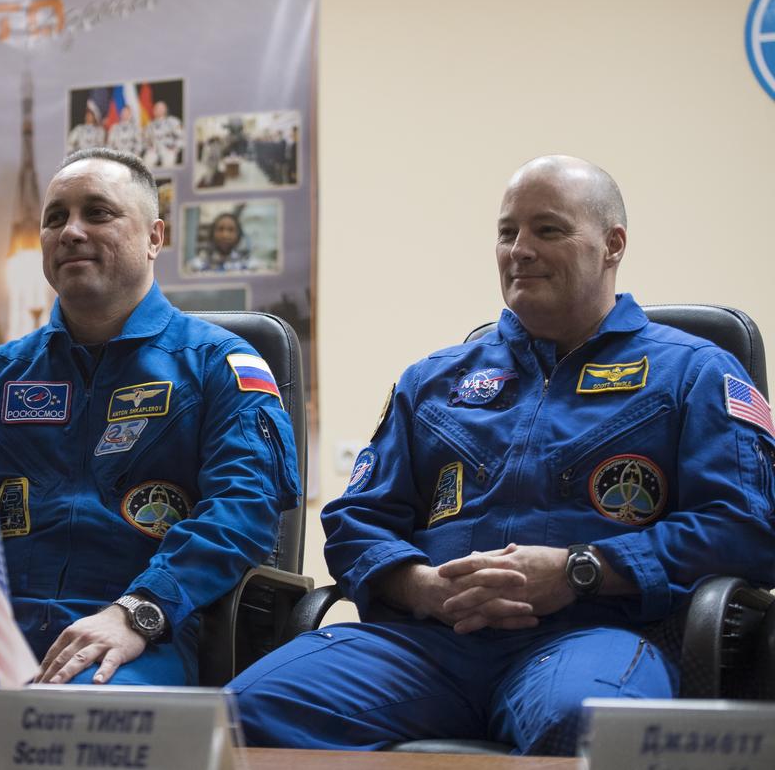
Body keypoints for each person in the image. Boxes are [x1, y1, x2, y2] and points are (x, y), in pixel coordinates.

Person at [230, 155, 775, 755]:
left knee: (586, 727)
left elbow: (746, 529)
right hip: (429, 643)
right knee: (242, 717)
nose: (519, 249)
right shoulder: (432, 381)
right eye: (507, 232)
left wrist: (580, 570)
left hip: (596, 633)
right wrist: (421, 586)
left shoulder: (694, 373)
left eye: (548, 230)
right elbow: (356, 522)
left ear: (612, 244)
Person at [0, 147, 301, 690]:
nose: (70, 231)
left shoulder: (219, 365)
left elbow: (243, 510)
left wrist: (138, 610)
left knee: (59, 724)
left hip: (140, 632)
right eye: (55, 218)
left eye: (98, 213)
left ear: (154, 237)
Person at [188, 212, 259, 273]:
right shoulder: (197, 265)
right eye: (220, 229)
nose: (225, 235)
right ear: (212, 234)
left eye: (231, 230)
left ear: (239, 235)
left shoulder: (250, 265)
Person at [142, 101, 183, 168]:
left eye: (161, 108)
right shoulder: (150, 125)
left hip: (168, 149)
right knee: (146, 163)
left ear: (166, 110)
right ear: (154, 110)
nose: (159, 110)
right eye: (157, 108)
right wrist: (149, 148)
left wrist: (175, 149)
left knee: (168, 162)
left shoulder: (173, 121)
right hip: (154, 150)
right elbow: (145, 140)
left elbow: (181, 137)